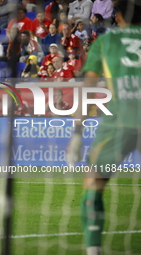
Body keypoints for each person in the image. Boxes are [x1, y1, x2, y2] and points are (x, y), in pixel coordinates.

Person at [67, 1, 141, 254]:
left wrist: (77, 132)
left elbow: (88, 90)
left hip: (119, 123)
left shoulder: (105, 42)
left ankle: (94, 249)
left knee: (93, 183)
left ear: (117, 15)